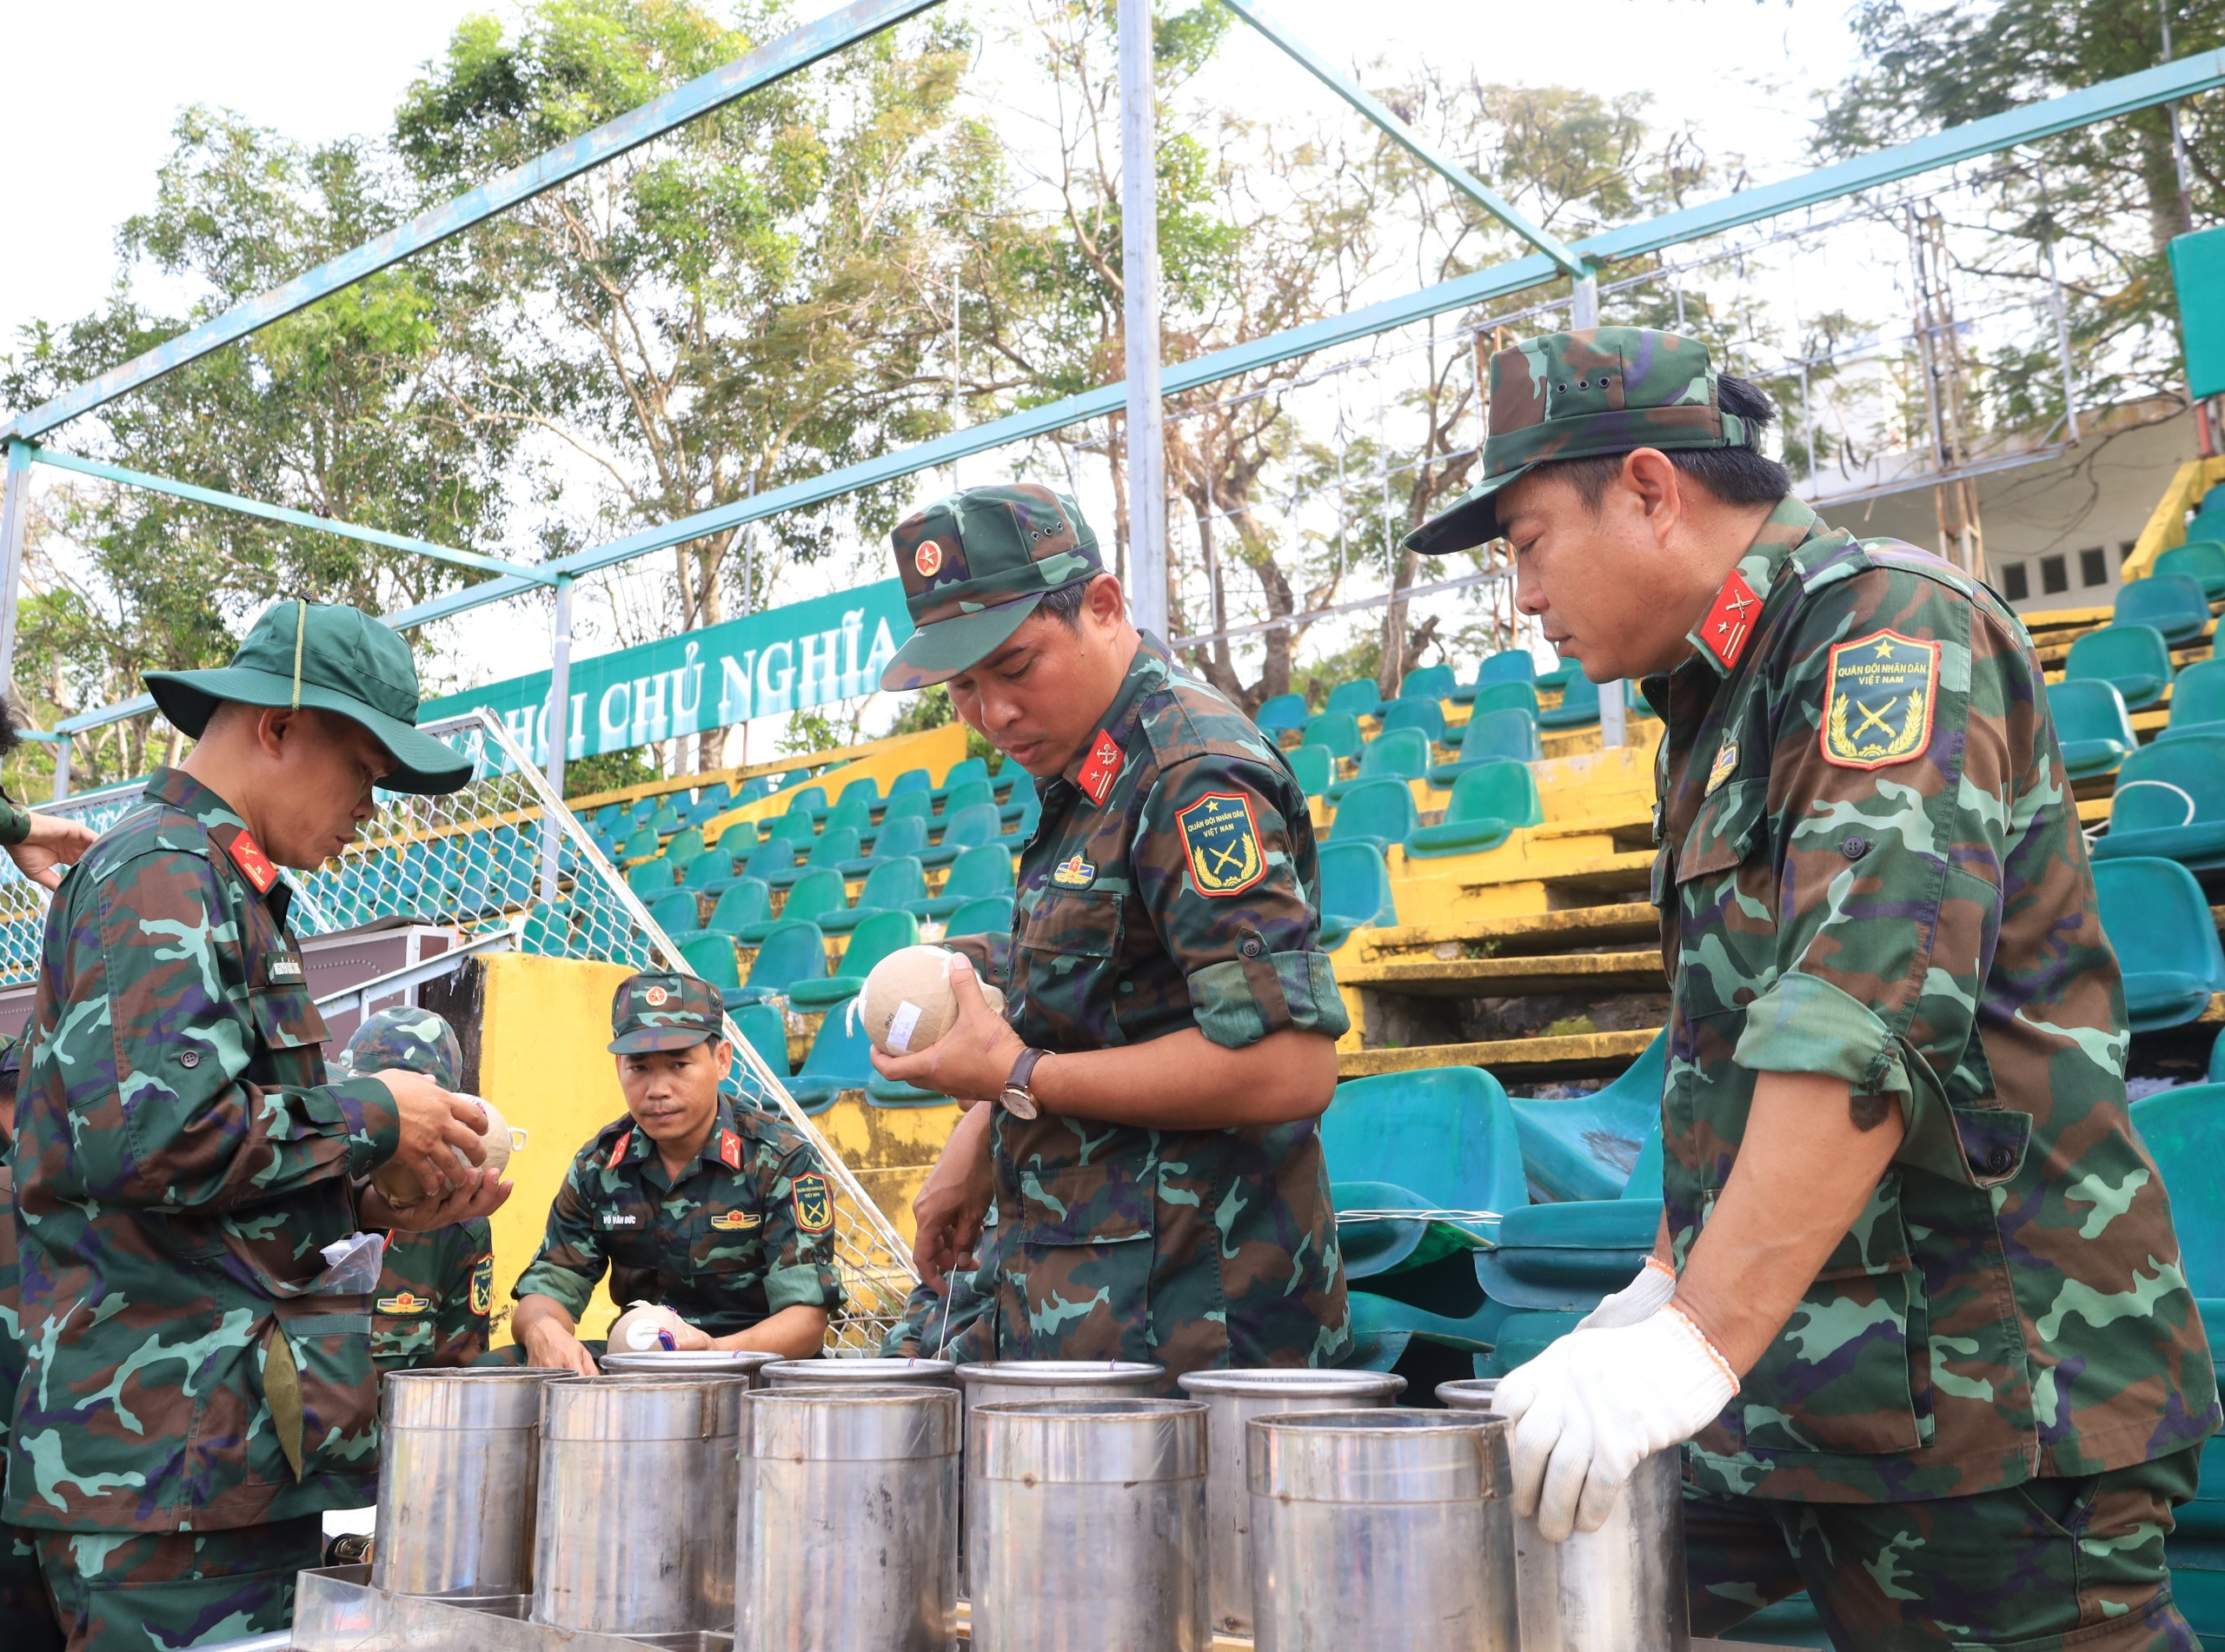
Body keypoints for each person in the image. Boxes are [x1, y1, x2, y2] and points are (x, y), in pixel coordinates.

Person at [1405, 325, 2220, 1647]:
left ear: (1652, 490)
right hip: (1809, 1383)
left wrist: (1692, 1339)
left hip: (1987, 1401)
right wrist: (1667, 1287)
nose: (1524, 597)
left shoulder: (1885, 631)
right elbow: (1731, 1048)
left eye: (1529, 540)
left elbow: (1861, 1020)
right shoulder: (1718, 693)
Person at [7, 598, 514, 1652]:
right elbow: (151, 1139)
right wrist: (377, 1112)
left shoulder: (215, 883)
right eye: (367, 771)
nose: (370, 808)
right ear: (277, 727)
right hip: (154, 1472)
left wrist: (374, 1190)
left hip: (209, 1459)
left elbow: (205, 1177)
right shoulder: (166, 871)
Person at [868, 481, 1352, 1381]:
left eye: (1015, 668)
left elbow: (1289, 1066)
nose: (993, 713)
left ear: (1102, 605)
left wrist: (1015, 1077)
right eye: (962, 687)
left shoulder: (1188, 770)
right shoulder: (1094, 760)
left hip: (1197, 1323)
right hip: (1097, 1292)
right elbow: (1097, 1001)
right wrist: (977, 1135)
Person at [508, 971, 844, 1374]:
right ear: (619, 1067)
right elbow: (549, 1287)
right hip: (640, 1362)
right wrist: (545, 1331)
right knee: (500, 1365)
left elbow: (806, 1321)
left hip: (753, 1364)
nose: (657, 1089)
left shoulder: (780, 1159)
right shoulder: (599, 1166)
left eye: (679, 1064)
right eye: (639, 1068)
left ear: (721, 1061)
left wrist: (712, 1355)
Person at [339, 1009, 496, 1371]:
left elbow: (454, 1375)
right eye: (364, 1108)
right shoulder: (308, 1189)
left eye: (393, 1114)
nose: (372, 1129)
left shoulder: (458, 1229)